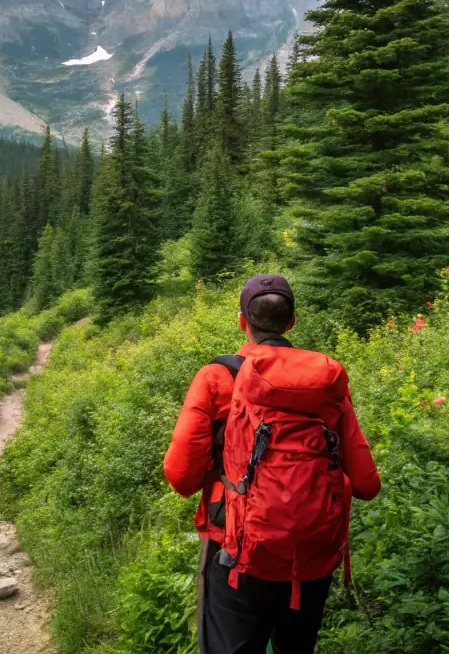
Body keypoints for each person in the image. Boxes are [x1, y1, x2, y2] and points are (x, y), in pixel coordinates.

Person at [163, 274, 380, 654]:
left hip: (234, 549)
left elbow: (181, 477)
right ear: (291, 321)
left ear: (242, 322)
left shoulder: (217, 377)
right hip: (310, 554)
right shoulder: (325, 380)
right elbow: (366, 483)